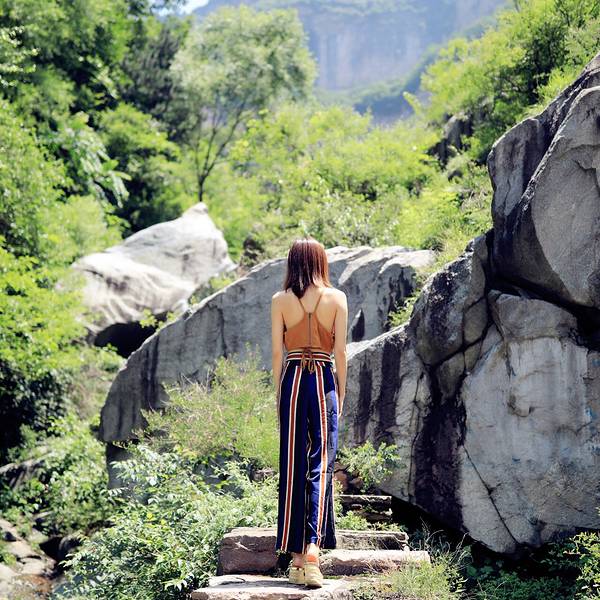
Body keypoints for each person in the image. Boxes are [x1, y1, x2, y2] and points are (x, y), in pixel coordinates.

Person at [270, 237, 348, 588]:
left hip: (292, 381)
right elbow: (341, 353)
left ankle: (297, 557)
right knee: (321, 464)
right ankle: (313, 550)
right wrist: (341, 393)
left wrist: (279, 396)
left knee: (293, 465)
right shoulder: (337, 298)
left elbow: (277, 354)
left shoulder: (280, 300)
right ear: (320, 262)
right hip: (323, 380)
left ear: (292, 262)